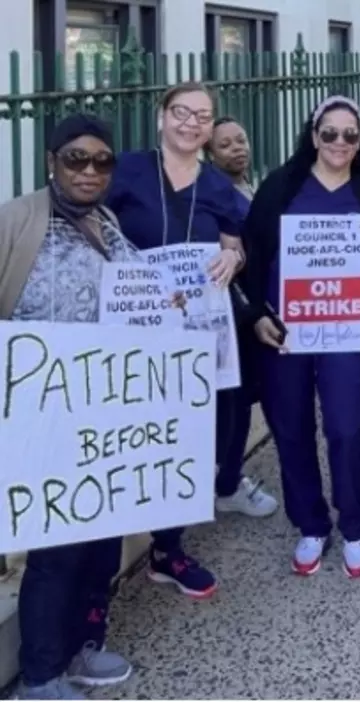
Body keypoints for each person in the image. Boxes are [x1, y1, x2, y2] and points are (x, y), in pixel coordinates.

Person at [105, 82, 270, 599]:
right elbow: (86, 218)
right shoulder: (126, 170)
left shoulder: (218, 185)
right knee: (135, 434)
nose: (192, 123)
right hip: (132, 329)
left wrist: (233, 256)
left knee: (189, 435)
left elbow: (240, 243)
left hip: (198, 335)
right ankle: (100, 561)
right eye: (182, 112)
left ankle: (167, 549)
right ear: (161, 117)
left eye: (203, 116)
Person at [0, 114, 134, 700]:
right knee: (54, 550)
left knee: (100, 541)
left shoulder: (106, 222)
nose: (89, 171)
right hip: (40, 415)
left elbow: (139, 296)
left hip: (101, 417)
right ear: (52, 160)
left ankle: (84, 645)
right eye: (76, 158)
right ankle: (40, 673)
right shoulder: (16, 220)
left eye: (102, 161)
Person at [240, 95, 360, 578]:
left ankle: (353, 524)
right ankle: (311, 523)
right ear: (313, 136)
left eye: (350, 135)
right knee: (291, 429)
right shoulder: (281, 188)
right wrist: (257, 316)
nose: (339, 143)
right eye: (330, 133)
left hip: (343, 332)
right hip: (284, 334)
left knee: (347, 429)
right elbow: (252, 256)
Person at [203, 115, 277, 518]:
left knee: (244, 400)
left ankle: (227, 476)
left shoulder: (249, 187)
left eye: (241, 140)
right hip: (236, 314)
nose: (237, 149)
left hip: (255, 309)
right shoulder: (214, 198)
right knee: (234, 401)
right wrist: (252, 313)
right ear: (209, 154)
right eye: (226, 145)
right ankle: (226, 483)